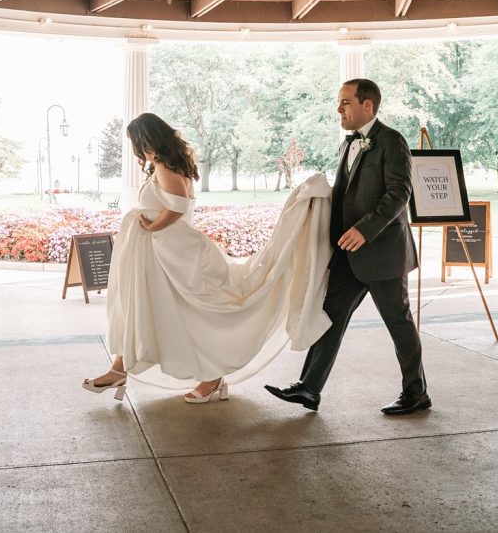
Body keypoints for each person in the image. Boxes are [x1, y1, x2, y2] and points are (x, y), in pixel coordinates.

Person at [82, 113, 335, 403]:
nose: (134, 150)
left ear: (145, 140)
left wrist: (152, 225)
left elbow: (177, 207)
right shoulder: (167, 165)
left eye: (134, 143)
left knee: (194, 315)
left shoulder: (164, 166)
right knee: (143, 309)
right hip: (164, 255)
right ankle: (119, 369)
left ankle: (211, 377)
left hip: (174, 254)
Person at [264, 78, 430, 415]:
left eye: (345, 102)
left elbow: (399, 193)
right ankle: (309, 388)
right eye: (339, 103)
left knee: (399, 324)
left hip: (383, 255)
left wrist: (365, 230)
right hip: (347, 256)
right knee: (329, 317)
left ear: (367, 105)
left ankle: (416, 393)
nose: (339, 109)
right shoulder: (347, 144)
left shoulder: (391, 141)